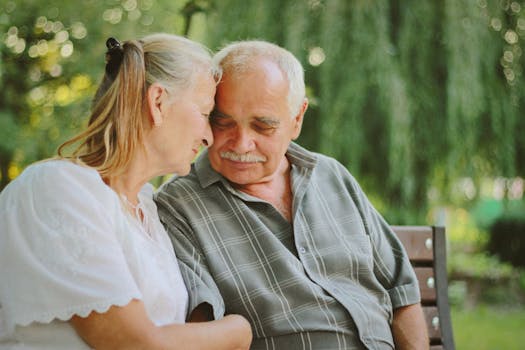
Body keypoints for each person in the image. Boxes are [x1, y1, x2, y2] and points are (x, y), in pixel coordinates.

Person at [155, 40, 428, 350]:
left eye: (262, 126)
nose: (241, 143)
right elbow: (202, 329)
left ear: (297, 118)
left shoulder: (331, 176)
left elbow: (401, 293)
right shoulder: (178, 205)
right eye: (223, 123)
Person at [0, 34, 252, 349]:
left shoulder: (146, 208)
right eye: (204, 114)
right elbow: (137, 344)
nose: (208, 137)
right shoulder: (58, 188)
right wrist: (240, 330)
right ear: (158, 102)